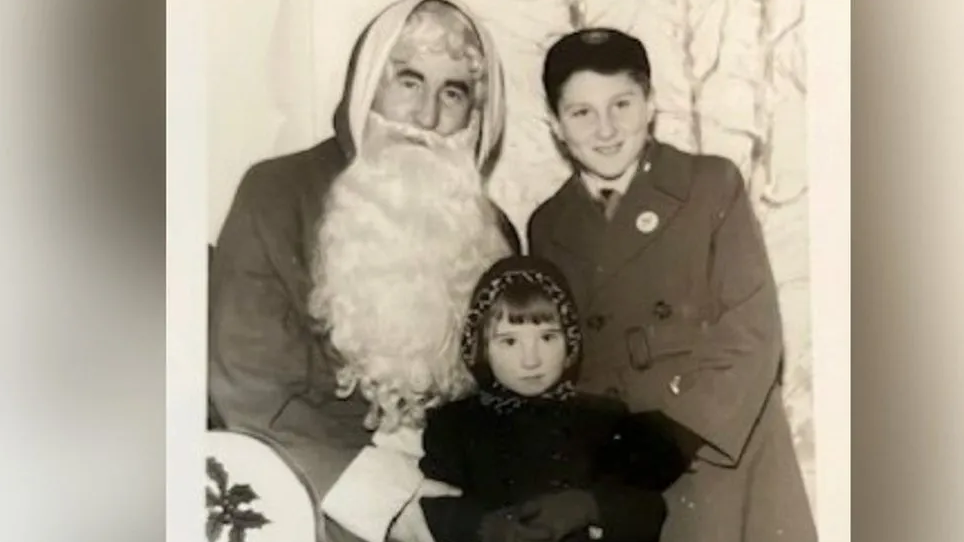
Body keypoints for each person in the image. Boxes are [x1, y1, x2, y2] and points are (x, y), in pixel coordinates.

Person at [208, 0, 517, 539]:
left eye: (453, 92)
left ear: (475, 114)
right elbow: (251, 387)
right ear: (369, 83)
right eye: (408, 81)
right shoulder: (277, 195)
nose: (426, 117)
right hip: (318, 502)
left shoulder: (497, 236)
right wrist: (388, 501)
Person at [526, 28, 817, 542]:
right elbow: (563, 364)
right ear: (554, 123)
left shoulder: (710, 185)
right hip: (622, 469)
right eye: (582, 113)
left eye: (622, 104)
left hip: (719, 449)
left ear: (651, 103)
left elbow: (752, 333)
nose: (606, 129)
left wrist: (673, 436)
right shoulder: (548, 225)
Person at [417, 255, 689, 542]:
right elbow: (436, 505)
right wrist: (485, 527)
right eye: (509, 341)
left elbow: (647, 508)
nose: (531, 360)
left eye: (547, 338)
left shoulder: (604, 419)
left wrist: (590, 508)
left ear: (570, 339)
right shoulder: (455, 425)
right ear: (481, 347)